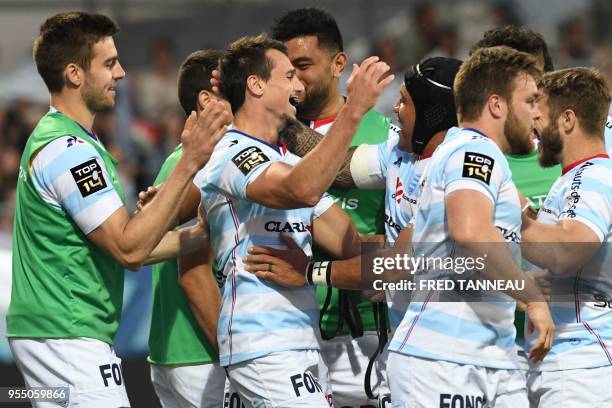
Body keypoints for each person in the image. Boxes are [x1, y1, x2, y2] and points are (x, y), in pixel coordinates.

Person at [6, 12, 228, 408]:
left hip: (56, 334)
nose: (122, 73)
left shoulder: (68, 141)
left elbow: (128, 246)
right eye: (109, 63)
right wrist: (190, 161)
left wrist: (199, 235)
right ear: (75, 73)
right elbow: (130, 250)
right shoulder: (68, 152)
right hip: (68, 335)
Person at [245, 56, 463, 408]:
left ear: (432, 114)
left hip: (448, 352)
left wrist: (305, 271)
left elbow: (391, 268)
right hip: (409, 343)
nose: (395, 108)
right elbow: (341, 168)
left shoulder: (454, 169)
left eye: (405, 101)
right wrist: (278, 118)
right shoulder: (400, 153)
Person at [196, 33, 391, 407]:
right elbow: (299, 191)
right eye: (288, 76)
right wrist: (353, 113)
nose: (299, 86)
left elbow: (352, 245)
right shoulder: (230, 152)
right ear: (255, 85)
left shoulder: (289, 163)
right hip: (264, 341)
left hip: (301, 340)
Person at [385, 45, 554, 407]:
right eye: (529, 101)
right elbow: (471, 234)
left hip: (493, 357)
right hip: (442, 359)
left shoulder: (468, 153)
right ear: (497, 105)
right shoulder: (475, 150)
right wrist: (533, 299)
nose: (537, 114)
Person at [271, 9, 395, 406]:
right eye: (287, 70)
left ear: (339, 63)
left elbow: (402, 245)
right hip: (288, 333)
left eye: (303, 66)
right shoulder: (266, 137)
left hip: (366, 338)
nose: (295, 79)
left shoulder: (386, 137)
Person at [521, 67, 612, 407]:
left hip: (583, 368)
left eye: (539, 117)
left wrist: (508, 218)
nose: (534, 129)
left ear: (568, 120)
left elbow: (566, 251)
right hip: (577, 363)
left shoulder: (589, 177)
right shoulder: (583, 176)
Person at [147, 49, 228, 408]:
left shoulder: (179, 162)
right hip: (203, 357)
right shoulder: (200, 165)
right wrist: (234, 356)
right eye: (233, 87)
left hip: (177, 354)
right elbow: (194, 276)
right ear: (207, 100)